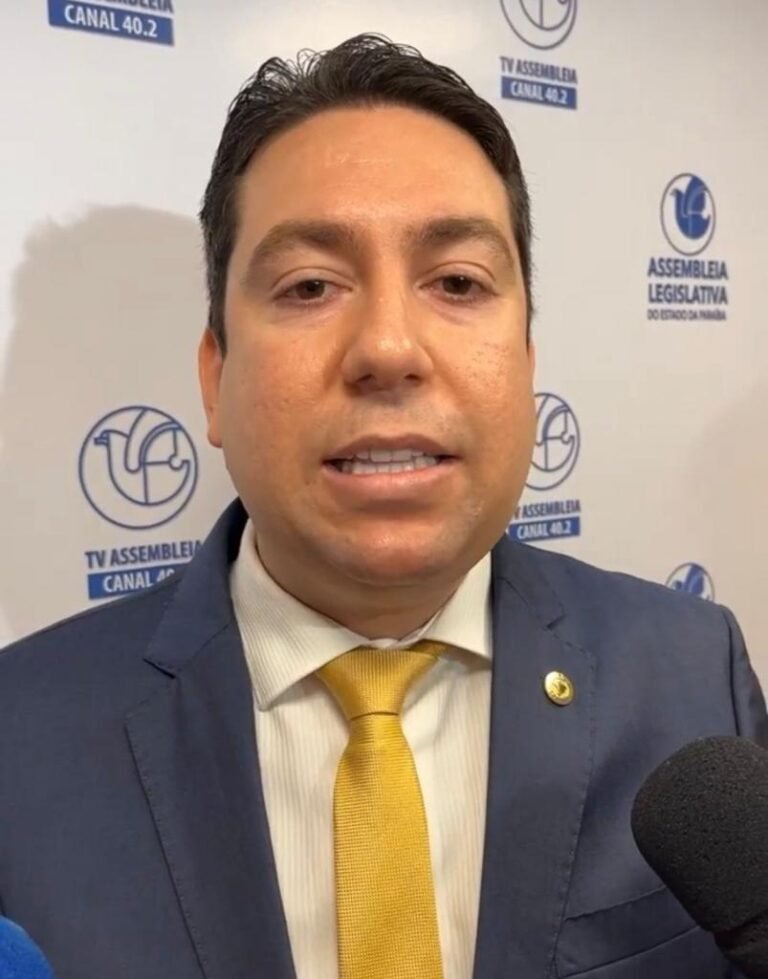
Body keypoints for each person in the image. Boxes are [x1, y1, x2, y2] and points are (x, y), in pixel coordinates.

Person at [0, 34, 764, 979]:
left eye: (458, 282)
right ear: (214, 377)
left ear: (527, 363)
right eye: (310, 286)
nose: (389, 348)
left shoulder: (692, 674)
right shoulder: (18, 738)